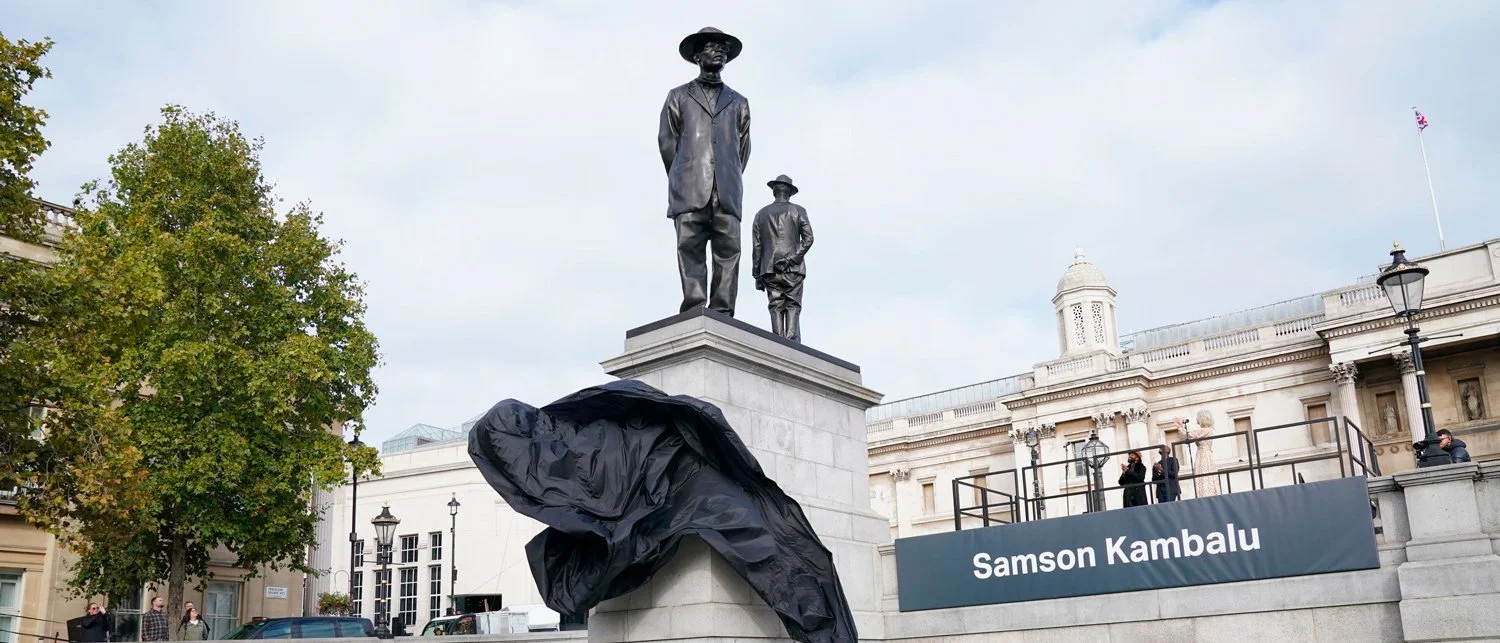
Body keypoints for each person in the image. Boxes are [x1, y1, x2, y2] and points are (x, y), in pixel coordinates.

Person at [659, 27, 753, 317]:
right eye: (712, 47)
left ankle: (723, 311)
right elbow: (667, 143)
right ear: (697, 56)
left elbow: (743, 148)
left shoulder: (739, 101)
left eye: (722, 48)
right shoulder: (678, 96)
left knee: (729, 251)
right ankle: (694, 307)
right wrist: (684, 175)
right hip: (689, 188)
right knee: (689, 247)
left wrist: (726, 174)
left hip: (726, 190)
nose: (719, 51)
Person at [751, 175, 814, 342]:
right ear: (790, 193)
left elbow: (757, 247)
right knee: (793, 304)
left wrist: (757, 275)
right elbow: (808, 239)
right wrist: (792, 259)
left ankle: (777, 341)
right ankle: (791, 342)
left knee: (775, 305)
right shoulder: (798, 211)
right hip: (793, 269)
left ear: (774, 192)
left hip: (769, 269)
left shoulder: (761, 214)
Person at [1177, 412, 1222, 498]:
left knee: (1204, 475)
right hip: (1204, 455)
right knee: (1204, 476)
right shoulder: (1207, 430)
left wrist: (1180, 426)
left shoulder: (1205, 430)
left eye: (1198, 417)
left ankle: (1206, 495)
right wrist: (1182, 427)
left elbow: (1189, 435)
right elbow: (1188, 437)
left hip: (1203, 455)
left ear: (1202, 418)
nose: (1196, 419)